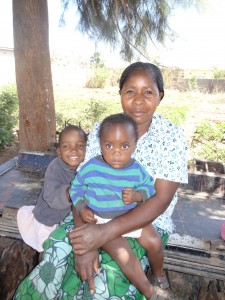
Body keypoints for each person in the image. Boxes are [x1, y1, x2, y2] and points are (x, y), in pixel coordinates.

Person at [14, 62, 188, 300]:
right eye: (130, 91)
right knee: (56, 251)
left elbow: (160, 200)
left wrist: (103, 233)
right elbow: (81, 187)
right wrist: (86, 240)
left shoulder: (172, 137)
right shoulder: (103, 129)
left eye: (148, 92)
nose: (138, 100)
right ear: (120, 95)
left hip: (143, 221)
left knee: (106, 279)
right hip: (92, 213)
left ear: (161, 96)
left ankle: (154, 280)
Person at [70, 113, 164, 299]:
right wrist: (81, 208)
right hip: (102, 221)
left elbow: (149, 189)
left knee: (154, 241)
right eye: (109, 145)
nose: (116, 152)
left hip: (129, 219)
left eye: (125, 146)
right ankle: (149, 291)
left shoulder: (137, 170)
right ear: (101, 145)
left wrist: (138, 196)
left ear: (134, 146)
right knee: (123, 254)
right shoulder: (92, 167)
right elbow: (76, 188)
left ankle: (158, 274)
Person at [16, 125, 87, 252]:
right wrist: (72, 191)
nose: (74, 150)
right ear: (59, 151)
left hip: (70, 216)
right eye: (66, 146)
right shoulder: (55, 168)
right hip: (50, 218)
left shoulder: (87, 168)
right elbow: (53, 200)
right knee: (49, 249)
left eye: (79, 146)